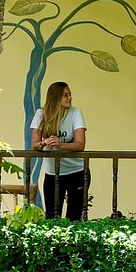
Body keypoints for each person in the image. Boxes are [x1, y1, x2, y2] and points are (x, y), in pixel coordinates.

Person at [30, 82, 87, 220]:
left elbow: (80, 144)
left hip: (77, 171)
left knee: (74, 218)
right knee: (52, 217)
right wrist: (44, 142)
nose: (70, 98)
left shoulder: (75, 113)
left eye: (70, 95)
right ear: (56, 97)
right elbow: (34, 145)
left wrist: (60, 145)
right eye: (65, 95)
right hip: (53, 173)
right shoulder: (41, 114)